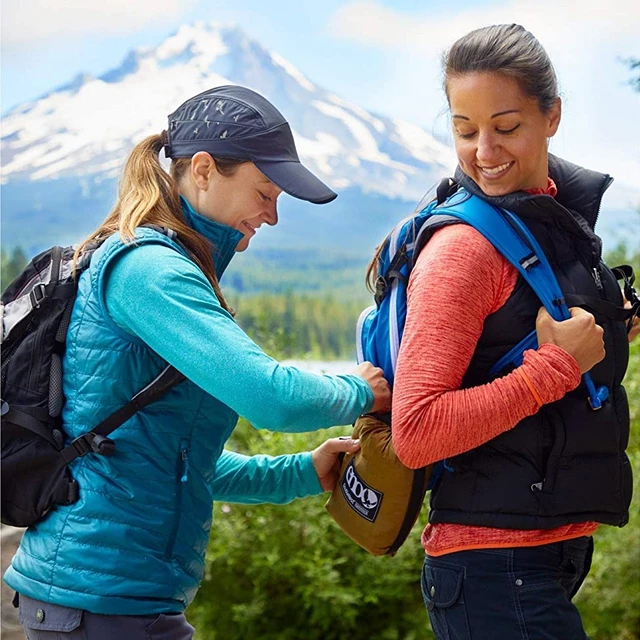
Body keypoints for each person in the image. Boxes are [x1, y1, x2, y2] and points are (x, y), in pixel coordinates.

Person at [4, 85, 391, 639]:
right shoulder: (151, 271)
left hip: (114, 603)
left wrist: (302, 471)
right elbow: (271, 397)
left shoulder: (166, 263)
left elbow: (177, 462)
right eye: (265, 192)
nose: (273, 215)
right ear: (204, 170)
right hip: (100, 603)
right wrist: (362, 390)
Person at [381, 24, 638, 640]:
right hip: (494, 561)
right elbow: (415, 433)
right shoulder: (463, 250)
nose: (484, 152)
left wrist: (608, 331)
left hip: (544, 550)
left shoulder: (553, 224)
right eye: (465, 130)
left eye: (506, 126)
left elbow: (522, 342)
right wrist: (556, 370)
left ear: (552, 116)